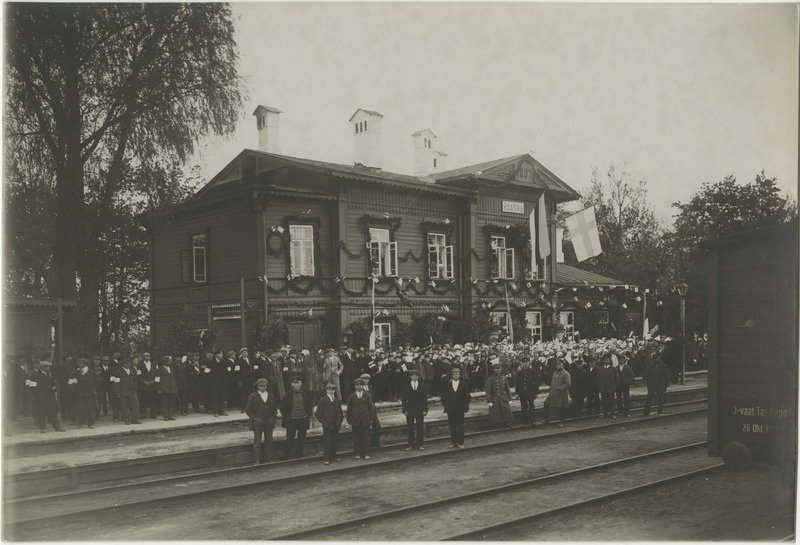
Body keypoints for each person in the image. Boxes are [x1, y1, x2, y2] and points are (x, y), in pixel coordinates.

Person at [244, 378, 278, 464]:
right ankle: (257, 460)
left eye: (265, 386)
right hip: (258, 421)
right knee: (257, 441)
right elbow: (247, 410)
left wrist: (273, 418)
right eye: (261, 386)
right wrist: (254, 418)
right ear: (257, 386)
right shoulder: (253, 396)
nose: (263, 387)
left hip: (268, 420)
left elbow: (274, 409)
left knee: (269, 440)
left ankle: (269, 458)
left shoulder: (270, 395)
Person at [280, 375, 314, 459]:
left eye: (298, 383)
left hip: (303, 420)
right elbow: (282, 409)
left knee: (301, 439)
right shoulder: (287, 396)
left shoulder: (306, 395)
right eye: (295, 383)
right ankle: (286, 456)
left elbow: (310, 407)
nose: (297, 385)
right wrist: (287, 416)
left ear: (301, 384)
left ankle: (299, 456)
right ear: (292, 384)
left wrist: (307, 415)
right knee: (289, 439)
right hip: (292, 420)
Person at [30, 359, 66, 433]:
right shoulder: (35, 375)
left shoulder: (50, 374)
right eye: (46, 367)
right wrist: (34, 395)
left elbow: (53, 383)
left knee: (53, 412)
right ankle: (42, 428)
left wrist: (54, 387)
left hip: (50, 396)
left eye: (48, 367)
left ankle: (57, 427)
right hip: (40, 397)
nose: (48, 368)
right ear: (42, 367)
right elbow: (32, 386)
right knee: (41, 413)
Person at [440, 365, 471, 448]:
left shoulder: (463, 384)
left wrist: (464, 406)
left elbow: (467, 396)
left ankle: (461, 442)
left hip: (460, 408)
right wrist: (447, 406)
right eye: (454, 374)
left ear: (459, 375)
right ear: (451, 375)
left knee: (460, 425)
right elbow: (443, 397)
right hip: (451, 409)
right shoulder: (447, 385)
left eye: (457, 374)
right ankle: (453, 442)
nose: (456, 375)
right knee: (452, 425)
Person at [346, 377, 374, 460]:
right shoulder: (351, 396)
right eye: (357, 385)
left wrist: (371, 418)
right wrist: (348, 419)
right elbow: (349, 408)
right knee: (356, 437)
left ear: (363, 386)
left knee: (365, 437)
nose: (359, 387)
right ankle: (357, 453)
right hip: (355, 420)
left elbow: (371, 408)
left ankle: (366, 453)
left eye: (360, 385)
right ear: (354, 386)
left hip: (365, 419)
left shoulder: (367, 395)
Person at [315, 382, 343, 465]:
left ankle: (333, 456)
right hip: (327, 425)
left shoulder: (336, 400)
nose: (331, 391)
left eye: (333, 390)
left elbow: (340, 412)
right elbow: (318, 413)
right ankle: (326, 458)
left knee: (334, 440)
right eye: (330, 390)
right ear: (326, 391)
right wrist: (324, 421)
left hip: (335, 424)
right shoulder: (323, 400)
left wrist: (339, 421)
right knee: (327, 441)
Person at [401, 368, 428, 451]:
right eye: (413, 376)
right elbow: (404, 400)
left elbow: (424, 399)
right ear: (410, 377)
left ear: (418, 377)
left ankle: (420, 444)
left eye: (416, 376)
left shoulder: (422, 386)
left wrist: (425, 410)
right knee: (410, 428)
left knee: (420, 427)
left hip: (420, 409)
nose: (414, 377)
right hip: (410, 410)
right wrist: (405, 410)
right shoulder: (406, 386)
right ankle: (411, 444)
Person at [485, 360, 514, 428]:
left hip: (503, 396)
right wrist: (489, 400)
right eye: (496, 369)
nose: (498, 370)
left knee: (506, 409)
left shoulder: (504, 377)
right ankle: (496, 423)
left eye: (499, 369)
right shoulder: (490, 379)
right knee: (496, 411)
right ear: (493, 370)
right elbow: (488, 390)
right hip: (495, 397)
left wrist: (509, 398)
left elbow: (507, 388)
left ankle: (507, 422)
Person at [543, 359, 571, 427]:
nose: (558, 365)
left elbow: (568, 384)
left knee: (562, 407)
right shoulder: (555, 373)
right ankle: (546, 418)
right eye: (557, 364)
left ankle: (562, 422)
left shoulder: (566, 373)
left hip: (561, 393)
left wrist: (560, 388)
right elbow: (552, 382)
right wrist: (550, 389)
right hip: (553, 393)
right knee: (546, 403)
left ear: (562, 365)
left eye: (560, 364)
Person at [70, 358, 96, 429]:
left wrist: (94, 390)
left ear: (85, 364)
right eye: (78, 363)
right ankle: (79, 423)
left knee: (90, 409)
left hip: (89, 394)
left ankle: (90, 423)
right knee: (80, 408)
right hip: (79, 394)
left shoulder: (91, 372)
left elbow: (94, 382)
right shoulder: (75, 373)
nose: (79, 364)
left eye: (81, 363)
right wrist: (73, 390)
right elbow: (72, 383)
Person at [114, 358, 141, 425]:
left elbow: (135, 380)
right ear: (123, 364)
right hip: (123, 392)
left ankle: (135, 419)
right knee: (124, 407)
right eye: (127, 364)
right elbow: (116, 383)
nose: (128, 365)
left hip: (132, 391)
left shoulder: (132, 370)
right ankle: (127, 419)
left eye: (129, 364)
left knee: (136, 405)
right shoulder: (118, 371)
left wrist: (135, 388)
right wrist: (117, 393)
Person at [359, 372, 382, 447]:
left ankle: (374, 443)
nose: (366, 381)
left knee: (377, 427)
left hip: (372, 411)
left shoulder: (370, 388)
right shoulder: (359, 389)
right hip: (365, 412)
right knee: (365, 429)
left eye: (367, 379)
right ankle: (365, 445)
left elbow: (374, 397)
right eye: (364, 379)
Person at [515, 357, 540, 425]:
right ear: (522, 363)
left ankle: (532, 420)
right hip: (522, 393)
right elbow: (517, 384)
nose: (525, 364)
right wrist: (517, 393)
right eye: (524, 362)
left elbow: (536, 383)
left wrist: (536, 393)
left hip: (531, 392)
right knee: (524, 407)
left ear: (529, 363)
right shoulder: (519, 373)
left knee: (531, 406)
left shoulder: (533, 372)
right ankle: (525, 421)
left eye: (526, 362)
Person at [156, 355, 178, 421]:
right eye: (167, 361)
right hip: (164, 389)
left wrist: (176, 387)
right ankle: (165, 416)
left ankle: (170, 415)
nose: (168, 362)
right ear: (164, 362)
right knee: (164, 403)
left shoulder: (172, 369)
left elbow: (175, 379)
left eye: (169, 361)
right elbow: (157, 380)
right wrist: (158, 389)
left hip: (172, 389)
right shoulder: (159, 369)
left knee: (171, 403)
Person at [137, 352, 158, 419]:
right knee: (144, 401)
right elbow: (139, 375)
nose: (147, 357)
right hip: (144, 386)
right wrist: (144, 382)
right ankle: (143, 414)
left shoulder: (154, 364)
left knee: (153, 400)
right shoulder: (139, 365)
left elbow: (157, 374)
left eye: (148, 356)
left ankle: (153, 414)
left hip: (152, 385)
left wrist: (154, 381)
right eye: (146, 356)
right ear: (143, 357)